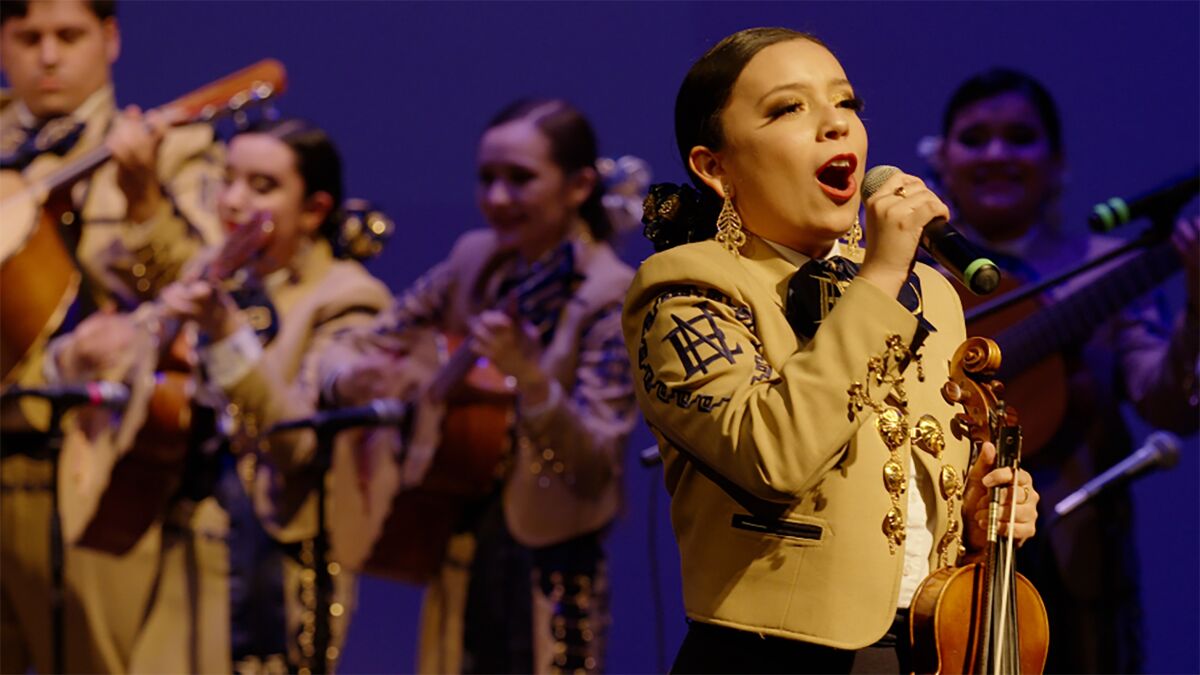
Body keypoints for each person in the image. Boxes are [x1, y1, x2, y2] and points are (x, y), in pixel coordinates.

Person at [621, 28, 1041, 673]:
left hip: (928, 644)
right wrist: (879, 278)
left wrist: (981, 515)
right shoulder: (684, 291)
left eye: (846, 103)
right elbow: (773, 456)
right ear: (714, 166)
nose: (833, 126)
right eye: (789, 108)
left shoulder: (929, 290)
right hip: (774, 656)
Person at [48, 118, 393, 672]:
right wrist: (126, 343)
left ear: (313, 209)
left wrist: (227, 334)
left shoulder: (347, 300)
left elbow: (296, 445)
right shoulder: (216, 271)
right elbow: (137, 369)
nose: (233, 200)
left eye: (262, 187)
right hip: (180, 544)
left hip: (272, 574)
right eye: (228, 179)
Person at [325, 98, 637, 674]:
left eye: (520, 180)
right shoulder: (476, 260)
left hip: (549, 565)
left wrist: (532, 377)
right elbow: (365, 342)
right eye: (486, 179)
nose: (496, 198)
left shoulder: (610, 295)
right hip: (457, 544)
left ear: (578, 186)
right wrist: (367, 379)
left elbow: (595, 461)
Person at [926, 67, 1199, 672]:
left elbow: (1166, 403)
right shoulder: (915, 279)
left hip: (1077, 563)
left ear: (1056, 162)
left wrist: (1198, 310)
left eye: (1020, 137)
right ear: (942, 159)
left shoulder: (1107, 266)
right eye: (975, 138)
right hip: (942, 564)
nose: (997, 153)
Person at [0, 1, 221, 672]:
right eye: (27, 36)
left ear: (111, 38)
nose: (47, 55)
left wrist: (144, 197)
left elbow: (206, 288)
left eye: (69, 36)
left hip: (93, 466)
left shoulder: (174, 146)